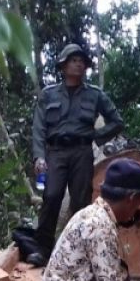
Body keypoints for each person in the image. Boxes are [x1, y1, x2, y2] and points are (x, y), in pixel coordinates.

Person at [30, 43, 124, 264]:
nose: (78, 64)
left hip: (82, 152)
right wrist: (38, 156)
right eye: (73, 60)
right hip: (55, 152)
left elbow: (117, 121)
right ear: (63, 65)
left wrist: (96, 137)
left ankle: (79, 253)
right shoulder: (48, 94)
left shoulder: (94, 95)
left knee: (81, 202)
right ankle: (43, 250)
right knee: (51, 196)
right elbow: (38, 127)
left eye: (81, 61)